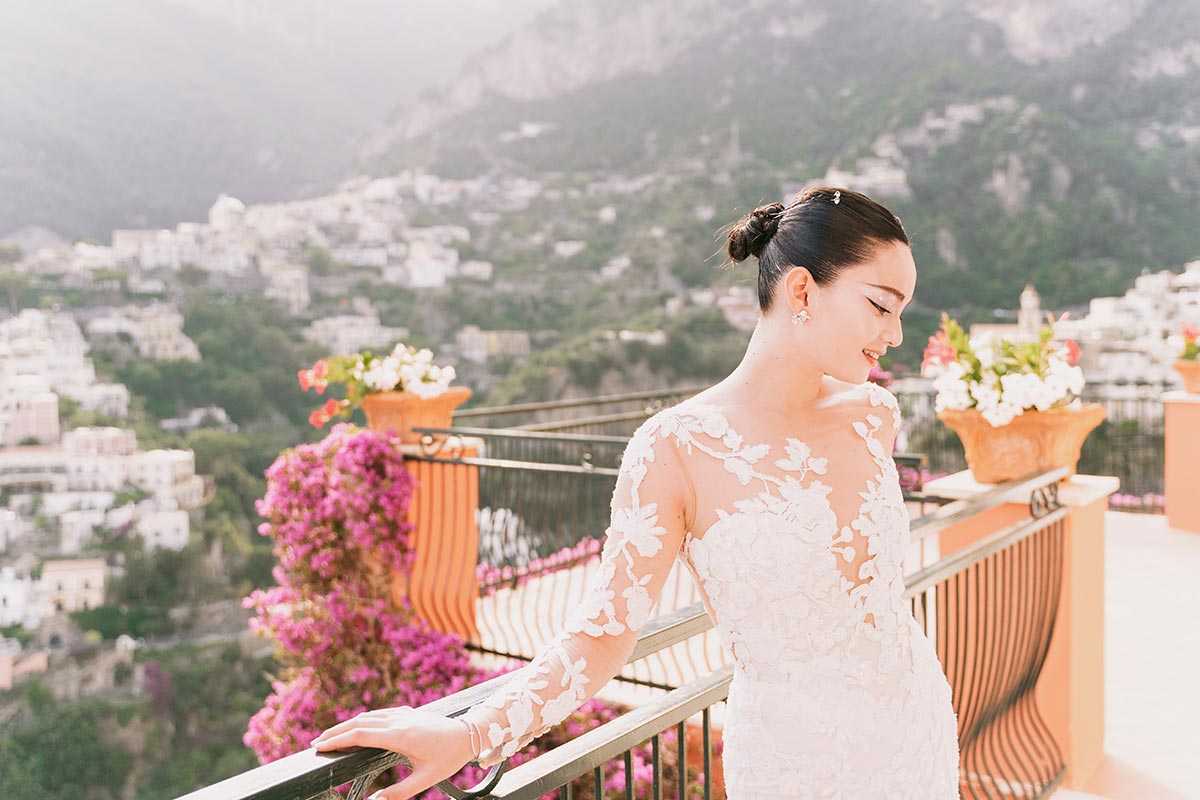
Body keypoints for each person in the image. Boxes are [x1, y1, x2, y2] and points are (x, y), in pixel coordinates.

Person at [312, 186, 960, 799]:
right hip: (799, 763)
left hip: (917, 728)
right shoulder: (674, 448)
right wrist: (469, 732)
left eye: (900, 311)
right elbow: (602, 636)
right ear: (802, 290)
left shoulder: (872, 414)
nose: (895, 333)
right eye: (880, 305)